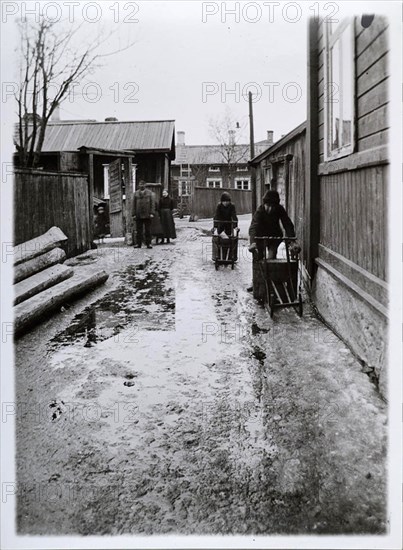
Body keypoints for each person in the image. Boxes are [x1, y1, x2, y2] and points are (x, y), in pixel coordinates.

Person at [248, 189, 298, 260]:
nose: (270, 209)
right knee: (258, 258)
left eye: (273, 206)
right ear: (264, 204)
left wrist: (292, 240)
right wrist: (253, 242)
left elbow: (287, 224)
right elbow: (253, 226)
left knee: (271, 258)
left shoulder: (279, 209)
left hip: (274, 236)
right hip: (260, 236)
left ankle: (270, 270)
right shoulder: (260, 211)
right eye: (268, 206)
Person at [132, 180, 155, 249]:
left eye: (143, 184)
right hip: (138, 214)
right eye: (140, 184)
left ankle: (148, 243)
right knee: (139, 230)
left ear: (145, 185)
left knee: (148, 230)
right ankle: (138, 244)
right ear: (138, 185)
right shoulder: (135, 193)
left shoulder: (150, 193)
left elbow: (152, 204)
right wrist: (134, 214)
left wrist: (152, 213)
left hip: (147, 214)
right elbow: (133, 205)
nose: (141, 186)